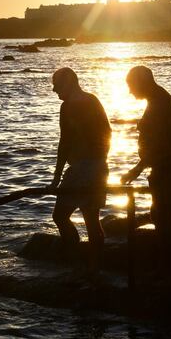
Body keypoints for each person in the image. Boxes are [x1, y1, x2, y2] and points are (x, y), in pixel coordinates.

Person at [121, 66, 171, 274]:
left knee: (165, 221)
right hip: (165, 167)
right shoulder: (157, 101)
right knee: (160, 217)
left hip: (170, 168)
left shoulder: (159, 104)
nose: (130, 91)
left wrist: (137, 169)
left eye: (131, 86)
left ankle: (170, 271)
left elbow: (161, 144)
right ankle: (167, 268)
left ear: (143, 82)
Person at [48, 67, 112, 275]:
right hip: (96, 165)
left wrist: (57, 176)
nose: (54, 90)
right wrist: (101, 160)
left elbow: (64, 142)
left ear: (68, 83)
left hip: (84, 168)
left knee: (61, 215)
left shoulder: (69, 107)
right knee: (91, 219)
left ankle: (79, 262)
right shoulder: (92, 100)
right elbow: (107, 133)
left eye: (56, 85)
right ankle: (92, 268)